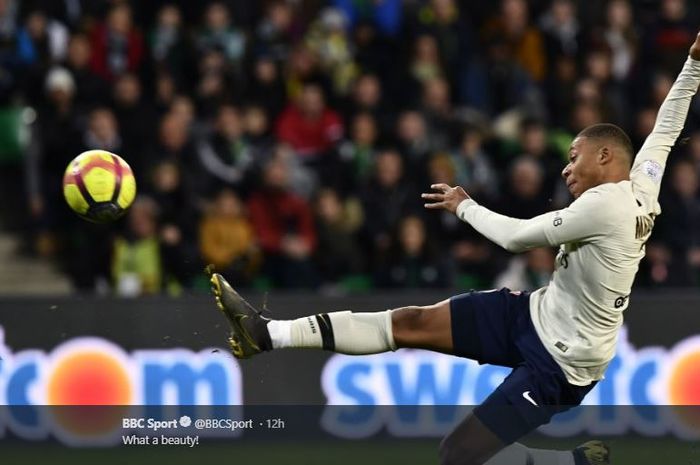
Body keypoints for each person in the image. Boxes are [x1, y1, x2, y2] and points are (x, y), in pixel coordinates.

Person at [207, 32, 700, 465]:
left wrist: (464, 205)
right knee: (410, 322)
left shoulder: (605, 208)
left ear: (606, 155)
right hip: (533, 314)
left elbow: (514, 237)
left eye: (574, 158)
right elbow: (668, 124)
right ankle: (266, 335)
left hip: (563, 365)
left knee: (456, 455)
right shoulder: (644, 181)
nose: (566, 169)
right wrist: (694, 62)